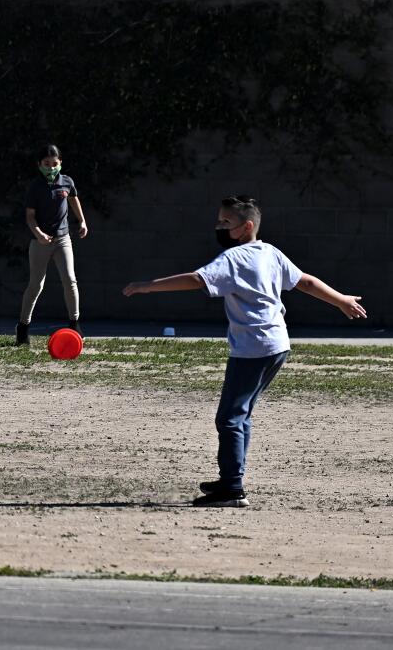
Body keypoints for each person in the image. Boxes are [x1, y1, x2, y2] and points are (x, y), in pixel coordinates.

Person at [122, 195, 367, 507]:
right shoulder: (270, 253)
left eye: (226, 222)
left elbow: (198, 280)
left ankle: (232, 489)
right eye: (219, 220)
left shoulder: (233, 259)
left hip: (253, 348)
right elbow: (304, 282)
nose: (219, 227)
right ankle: (230, 479)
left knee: (229, 418)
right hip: (277, 344)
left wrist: (148, 285)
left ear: (246, 226)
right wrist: (340, 300)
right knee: (241, 415)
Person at [13, 143, 87, 347]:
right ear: (39, 164)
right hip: (41, 242)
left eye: (54, 163)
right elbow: (30, 217)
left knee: (70, 280)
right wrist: (39, 234)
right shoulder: (35, 187)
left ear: (60, 163)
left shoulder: (67, 181)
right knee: (36, 285)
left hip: (63, 239)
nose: (51, 167)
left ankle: (74, 324)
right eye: (46, 163)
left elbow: (74, 199)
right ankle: (23, 328)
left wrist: (82, 221)